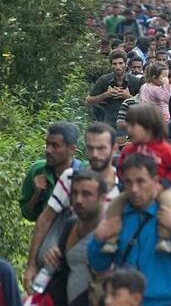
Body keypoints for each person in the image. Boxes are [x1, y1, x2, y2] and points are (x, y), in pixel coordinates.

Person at [89, 153, 171, 305]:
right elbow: (98, 265)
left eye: (141, 181)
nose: (134, 189)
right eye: (128, 182)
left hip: (166, 302)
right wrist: (98, 239)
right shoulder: (118, 215)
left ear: (156, 182)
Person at [24, 123, 120, 290]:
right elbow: (45, 219)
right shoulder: (70, 178)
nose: (95, 154)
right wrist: (31, 265)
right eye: (90, 148)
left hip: (108, 276)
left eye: (101, 148)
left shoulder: (124, 186)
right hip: (67, 270)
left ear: (114, 149)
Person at [103, 104, 171, 254]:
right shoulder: (129, 149)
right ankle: (111, 239)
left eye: (133, 125)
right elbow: (120, 168)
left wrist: (164, 185)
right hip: (134, 189)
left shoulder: (164, 148)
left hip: (160, 188)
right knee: (114, 204)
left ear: (149, 126)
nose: (129, 129)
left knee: (170, 204)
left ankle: (164, 238)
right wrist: (125, 184)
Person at [41, 170, 107, 305]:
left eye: (86, 194)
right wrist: (55, 258)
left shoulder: (112, 232)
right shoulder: (71, 225)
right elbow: (62, 269)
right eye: (74, 193)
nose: (78, 200)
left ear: (102, 198)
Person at [20, 122, 81, 222]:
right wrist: (36, 194)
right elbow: (27, 215)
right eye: (47, 143)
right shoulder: (37, 170)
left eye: (55, 146)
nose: (48, 150)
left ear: (72, 149)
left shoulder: (84, 172)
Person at [85, 49, 141, 128]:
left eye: (120, 63)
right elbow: (88, 101)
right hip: (108, 123)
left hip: (130, 124)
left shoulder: (135, 81)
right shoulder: (104, 80)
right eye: (115, 64)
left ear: (125, 64)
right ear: (111, 65)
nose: (118, 67)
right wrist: (106, 95)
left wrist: (128, 98)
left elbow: (144, 105)